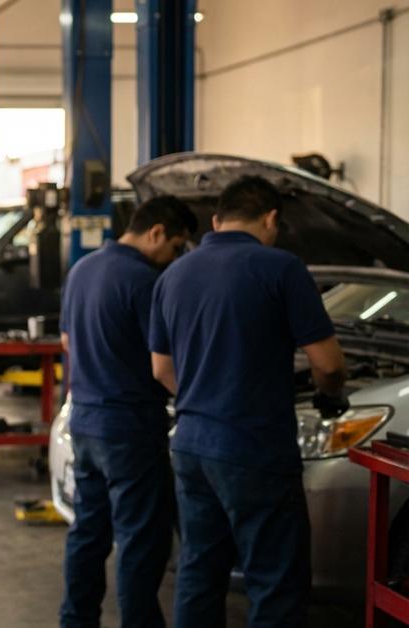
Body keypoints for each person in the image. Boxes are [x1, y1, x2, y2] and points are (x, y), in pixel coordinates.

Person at [149, 176, 348, 628]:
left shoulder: (173, 275)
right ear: (271, 218)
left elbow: (160, 370)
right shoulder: (282, 268)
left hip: (191, 446)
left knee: (199, 573)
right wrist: (329, 394)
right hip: (254, 448)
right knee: (274, 581)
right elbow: (329, 364)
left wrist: (207, 393)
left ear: (217, 221)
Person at [58, 196, 197, 628]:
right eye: (175, 247)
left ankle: (76, 620)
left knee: (88, 533)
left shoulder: (81, 270)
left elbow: (66, 341)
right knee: (140, 541)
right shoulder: (144, 281)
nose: (173, 259)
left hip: (83, 421)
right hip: (130, 428)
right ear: (155, 232)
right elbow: (163, 364)